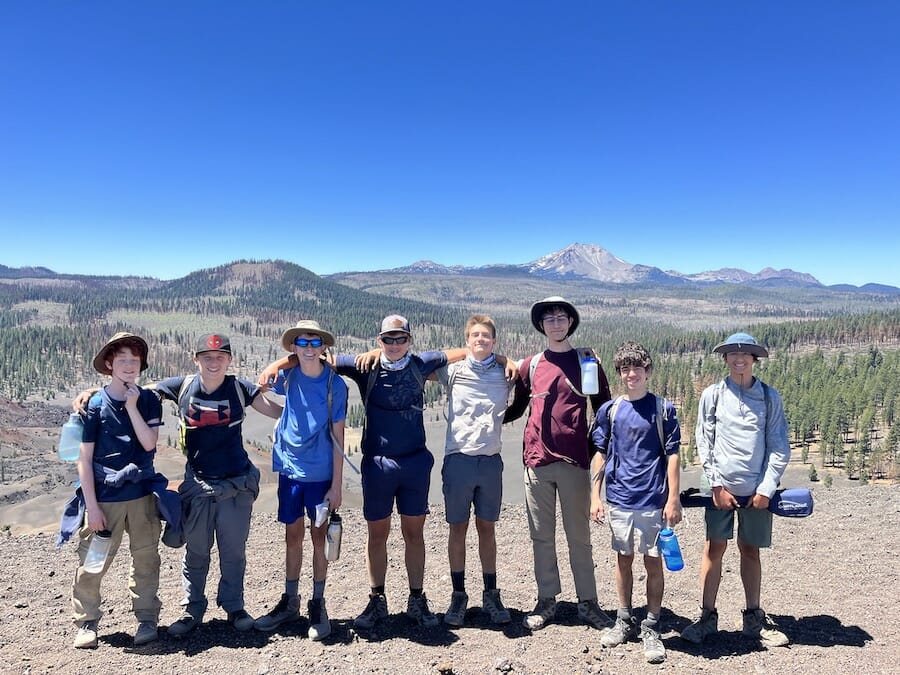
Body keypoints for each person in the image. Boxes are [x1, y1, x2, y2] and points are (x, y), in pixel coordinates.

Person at [259, 314, 467, 629]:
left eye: (400, 339)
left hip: (414, 462)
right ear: (378, 341)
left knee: (415, 533)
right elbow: (317, 355)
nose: (394, 345)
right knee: (377, 535)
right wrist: (276, 365)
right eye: (388, 339)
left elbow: (463, 351)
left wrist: (500, 357)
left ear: (410, 340)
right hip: (378, 463)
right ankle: (377, 599)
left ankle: (416, 598)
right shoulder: (363, 365)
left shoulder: (421, 363)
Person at [151, 334, 282, 636]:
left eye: (220, 356)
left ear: (230, 360)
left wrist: (309, 416)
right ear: (195, 358)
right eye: (207, 357)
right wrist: (96, 391)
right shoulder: (180, 387)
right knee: (196, 551)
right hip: (198, 485)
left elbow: (274, 409)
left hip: (235, 484)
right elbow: (143, 391)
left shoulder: (239, 388)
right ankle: (191, 608)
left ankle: (234, 606)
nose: (213, 362)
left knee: (233, 551)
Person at [505, 296, 612, 631]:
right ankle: (547, 600)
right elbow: (518, 407)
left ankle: (588, 602)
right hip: (536, 462)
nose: (555, 322)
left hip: (575, 462)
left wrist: (597, 450)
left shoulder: (587, 362)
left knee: (579, 536)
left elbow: (603, 409)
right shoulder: (531, 365)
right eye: (548, 318)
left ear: (570, 322)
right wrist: (486, 419)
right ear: (542, 325)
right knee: (541, 536)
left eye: (561, 317)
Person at [680, 332, 790, 648]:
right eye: (732, 354)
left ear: (754, 359)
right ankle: (706, 617)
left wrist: (766, 488)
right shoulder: (712, 395)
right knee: (714, 549)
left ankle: (753, 620)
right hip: (720, 489)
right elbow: (705, 440)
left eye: (745, 355)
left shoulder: (770, 398)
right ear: (726, 359)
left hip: (757, 490)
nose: (738, 359)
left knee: (750, 550)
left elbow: (778, 446)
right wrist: (715, 484)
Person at [253, 320, 348, 641]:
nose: (309, 348)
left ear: (324, 347)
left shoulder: (336, 385)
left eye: (314, 343)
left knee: (319, 538)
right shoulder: (288, 376)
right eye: (302, 343)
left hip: (320, 474)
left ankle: (317, 603)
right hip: (290, 471)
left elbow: (339, 437)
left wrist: (336, 486)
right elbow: (262, 392)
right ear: (294, 348)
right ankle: (290, 600)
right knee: (292, 537)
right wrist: (276, 366)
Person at [70, 332, 164, 649]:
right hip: (106, 501)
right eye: (121, 359)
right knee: (93, 562)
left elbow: (149, 443)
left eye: (133, 360)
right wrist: (92, 508)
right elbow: (84, 459)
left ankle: (146, 619)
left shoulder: (149, 400)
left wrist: (134, 406)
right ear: (109, 364)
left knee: (146, 560)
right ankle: (87, 622)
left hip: (140, 498)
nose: (128, 365)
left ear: (141, 365)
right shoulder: (95, 405)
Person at [589, 341, 681, 664]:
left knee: (653, 563)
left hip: (653, 500)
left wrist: (673, 498)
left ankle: (652, 626)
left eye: (637, 368)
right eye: (626, 369)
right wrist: (594, 496)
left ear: (648, 371)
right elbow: (600, 453)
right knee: (623, 560)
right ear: (620, 373)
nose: (632, 374)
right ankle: (624, 619)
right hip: (619, 500)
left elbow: (672, 456)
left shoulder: (663, 410)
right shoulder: (610, 411)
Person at [437, 314, 521, 627]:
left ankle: (491, 592)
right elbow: (416, 361)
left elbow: (536, 366)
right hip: (458, 459)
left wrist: (505, 359)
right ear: (467, 340)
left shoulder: (506, 372)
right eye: (475, 335)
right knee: (457, 528)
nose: (480, 340)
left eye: (486, 336)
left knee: (487, 528)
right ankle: (458, 595)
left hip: (489, 462)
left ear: (494, 341)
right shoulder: (452, 371)